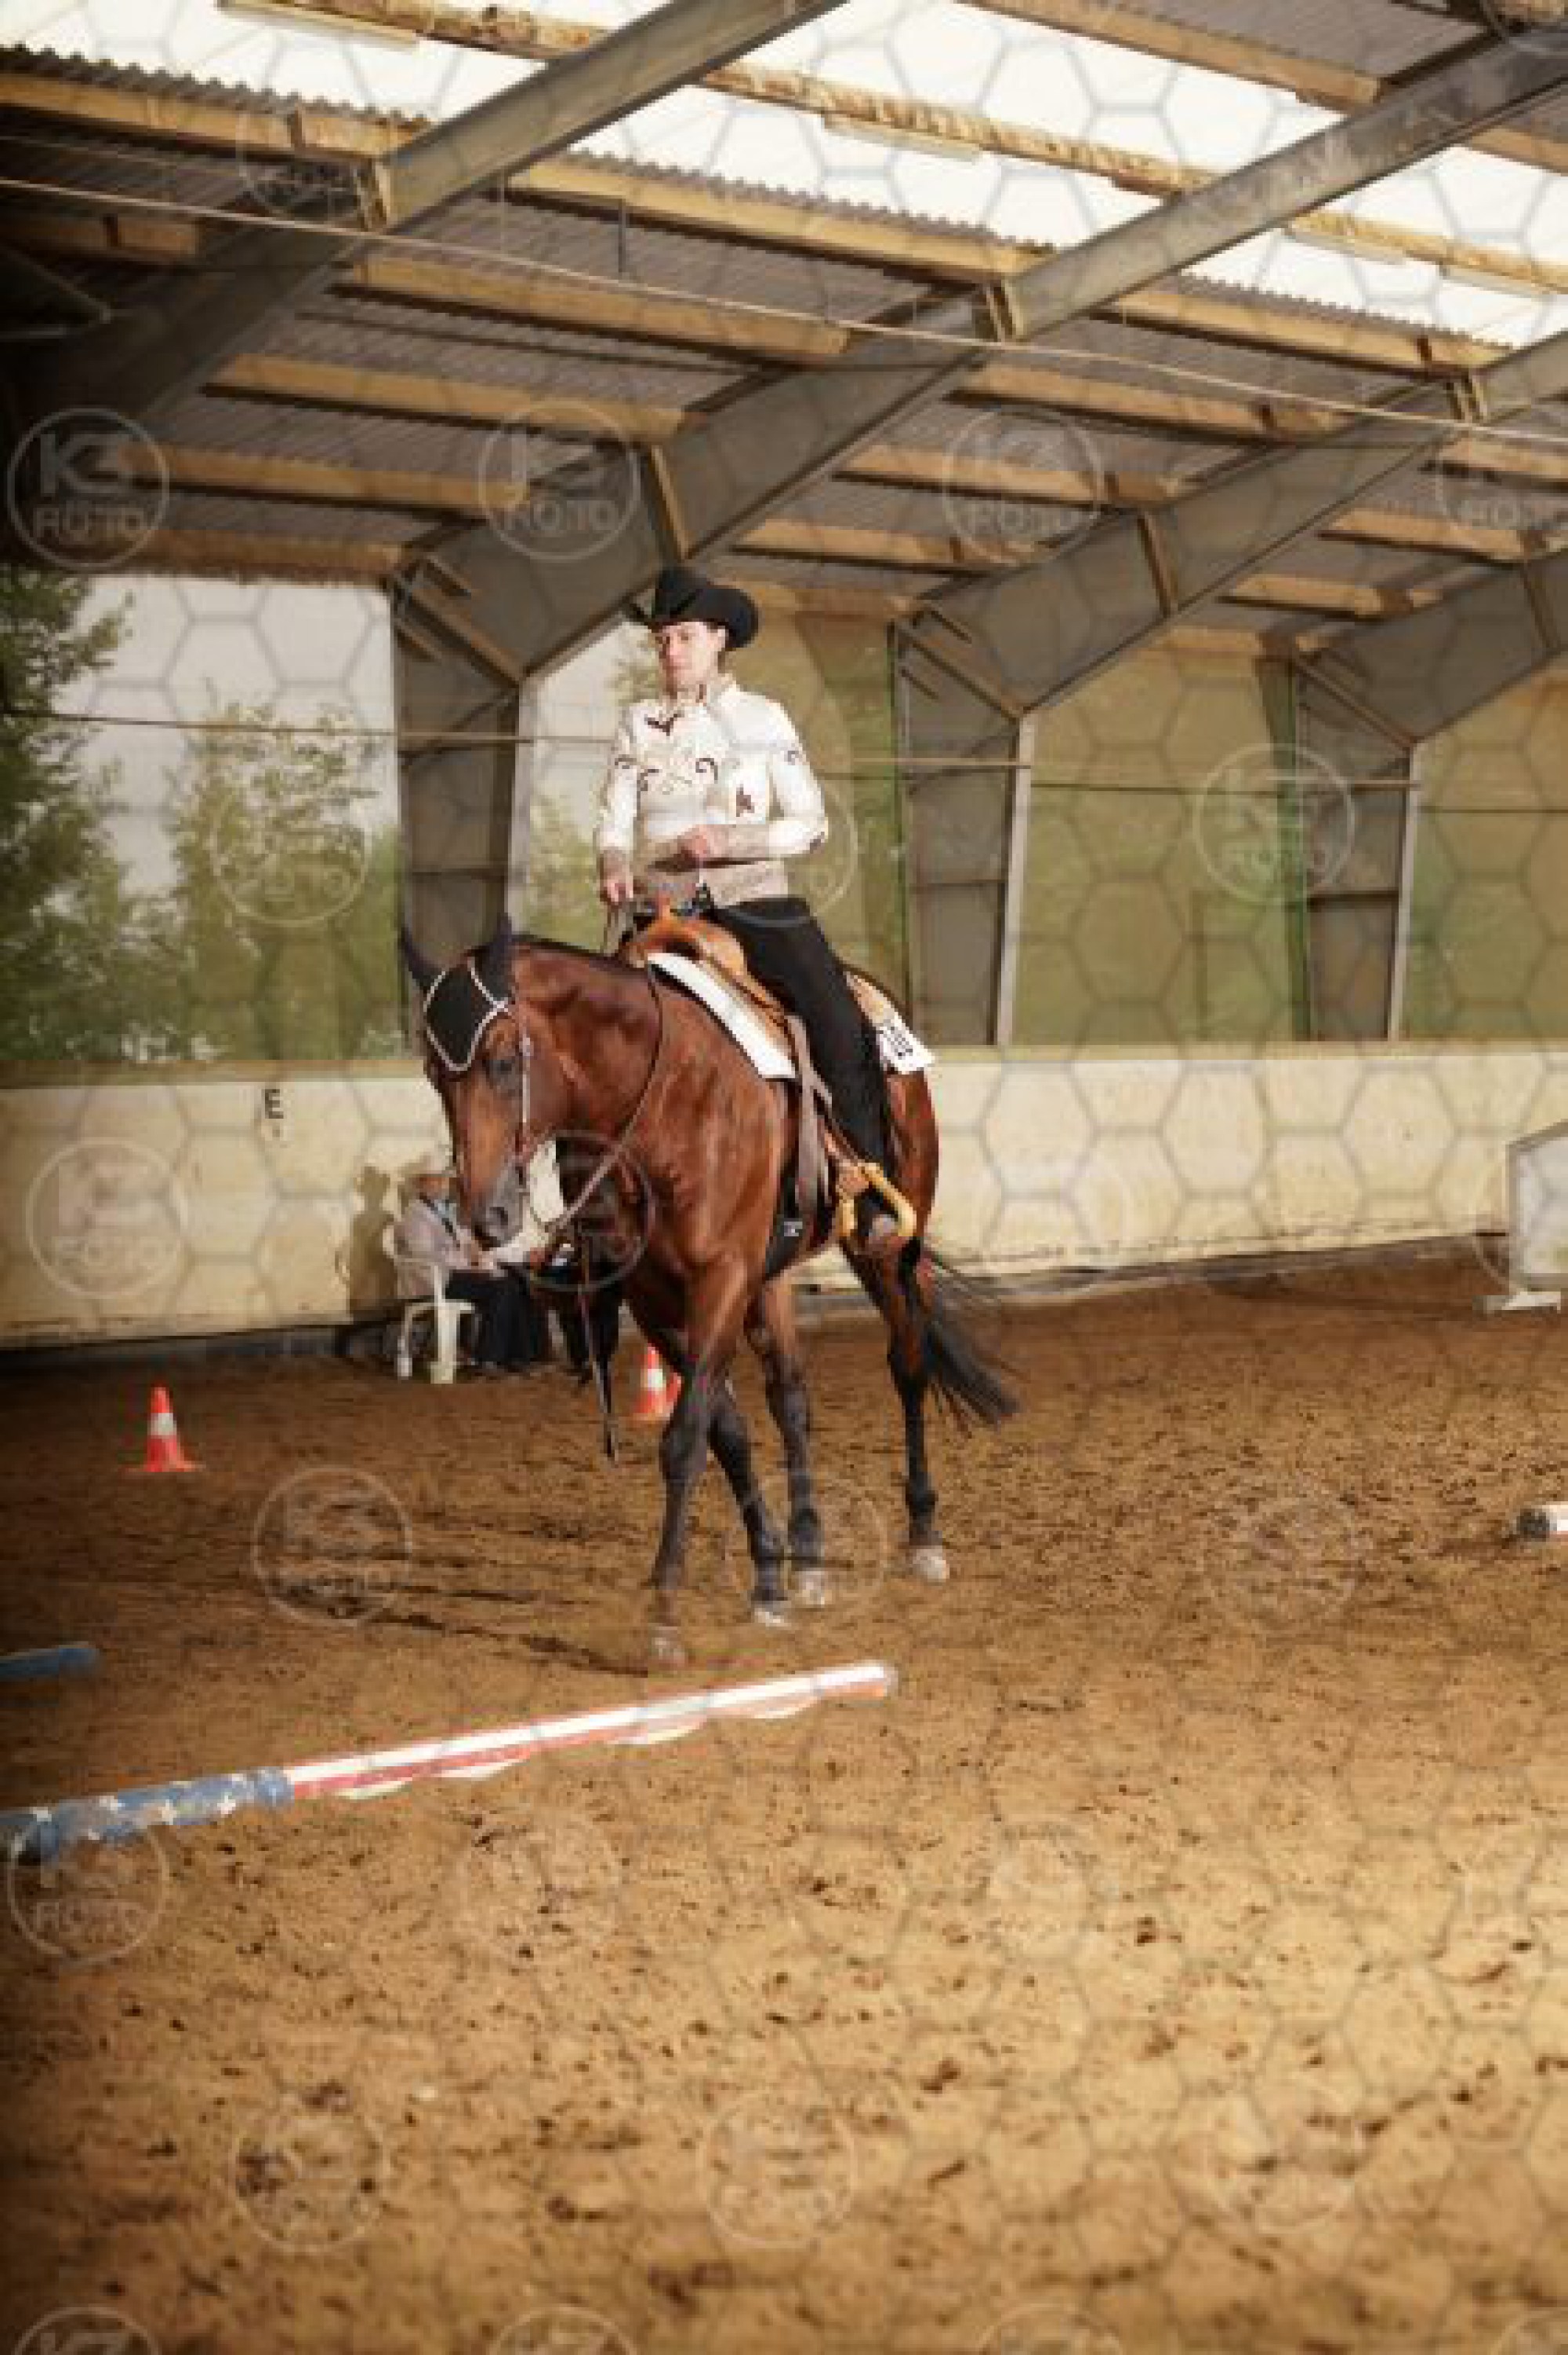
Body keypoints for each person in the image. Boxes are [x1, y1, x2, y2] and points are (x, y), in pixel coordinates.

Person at [593, 562, 899, 1252]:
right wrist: (612, 864)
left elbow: (812, 824)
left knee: (836, 1016)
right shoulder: (635, 723)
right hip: (660, 911)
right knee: (593, 1034)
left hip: (753, 900)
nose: (671, 650)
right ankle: (594, 1218)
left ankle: (869, 1180)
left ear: (719, 638)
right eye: (662, 639)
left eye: (684, 636)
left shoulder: (763, 718)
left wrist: (731, 840)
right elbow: (614, 818)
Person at [394, 1163, 534, 1377]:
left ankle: (517, 1356)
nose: (443, 1185)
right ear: (421, 1184)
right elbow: (425, 1254)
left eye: (444, 1180)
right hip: (435, 1278)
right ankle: (489, 1358)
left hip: (454, 1273)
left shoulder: (447, 1210)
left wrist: (478, 1257)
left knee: (512, 1282)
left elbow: (466, 1241)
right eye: (437, 1180)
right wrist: (468, 1263)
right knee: (501, 1288)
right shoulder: (415, 1213)